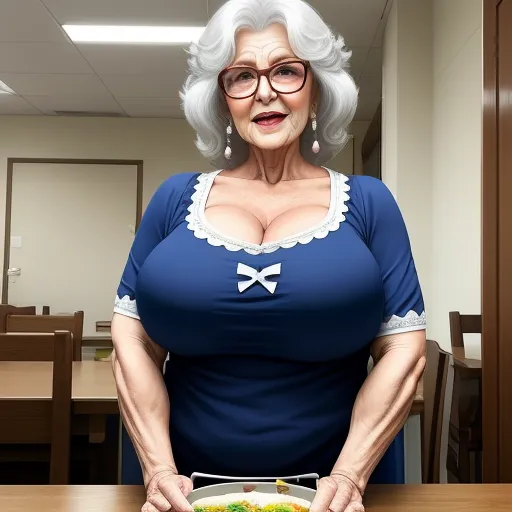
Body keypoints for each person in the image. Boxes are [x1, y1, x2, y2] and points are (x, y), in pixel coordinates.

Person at [111, 1, 427, 512]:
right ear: (223, 100)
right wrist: (158, 470)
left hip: (332, 494)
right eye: (241, 76)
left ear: (317, 88)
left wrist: (349, 475)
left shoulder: (370, 203)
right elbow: (133, 337)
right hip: (181, 492)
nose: (264, 91)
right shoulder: (173, 198)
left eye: (285, 70)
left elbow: (403, 350)